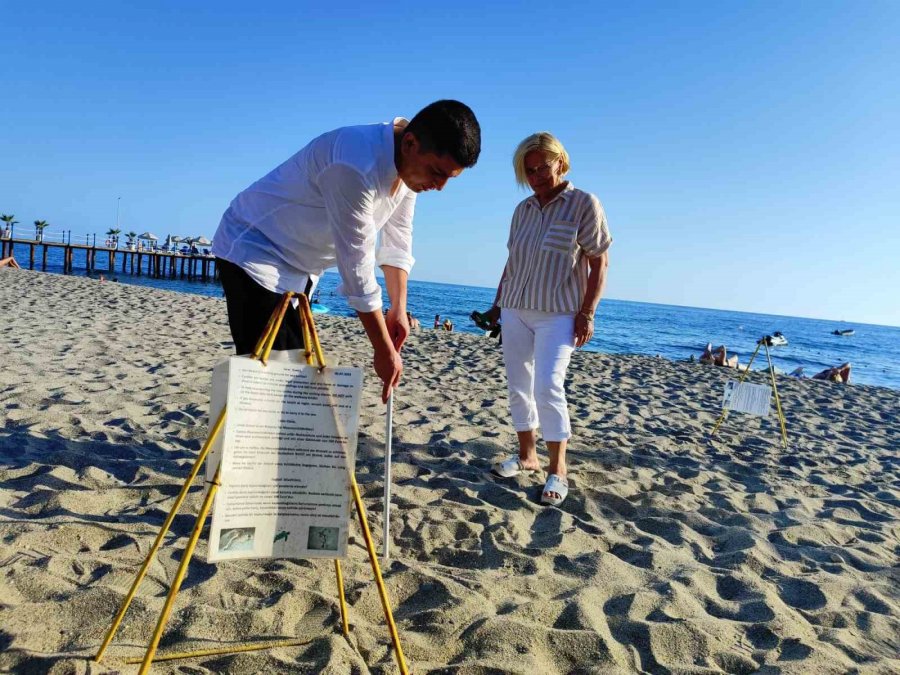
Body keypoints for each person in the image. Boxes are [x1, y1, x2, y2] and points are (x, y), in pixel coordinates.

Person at [212, 100, 481, 402]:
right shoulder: (355, 163)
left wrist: (398, 309)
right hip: (256, 248)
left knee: (291, 371)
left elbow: (398, 241)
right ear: (409, 143)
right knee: (272, 373)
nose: (440, 186)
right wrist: (382, 349)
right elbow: (357, 267)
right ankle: (243, 445)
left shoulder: (410, 170)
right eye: (437, 172)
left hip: (300, 266)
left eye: (449, 178)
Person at [481, 132, 611, 506]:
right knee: (518, 385)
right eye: (529, 170)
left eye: (543, 167)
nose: (537, 175)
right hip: (515, 309)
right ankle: (527, 457)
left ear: (561, 162)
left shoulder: (584, 204)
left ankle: (559, 470)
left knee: (548, 386)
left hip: (560, 314)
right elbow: (513, 263)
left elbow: (600, 261)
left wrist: (587, 313)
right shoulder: (521, 211)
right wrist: (496, 304)